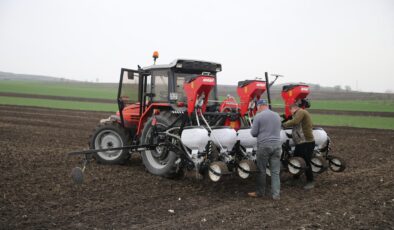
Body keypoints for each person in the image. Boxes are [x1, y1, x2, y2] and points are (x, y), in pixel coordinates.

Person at [248, 99, 282, 200]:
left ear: (259, 106)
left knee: (261, 170)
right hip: (277, 145)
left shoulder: (258, 116)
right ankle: (276, 195)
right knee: (275, 171)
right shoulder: (277, 115)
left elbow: (254, 133)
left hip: (264, 146)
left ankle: (260, 192)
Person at [282, 103, 315, 190]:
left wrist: (283, 124)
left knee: (306, 162)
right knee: (296, 160)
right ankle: (295, 178)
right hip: (301, 142)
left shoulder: (300, 112)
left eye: (290, 110)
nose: (291, 112)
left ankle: (310, 181)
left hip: (306, 142)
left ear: (293, 108)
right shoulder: (301, 113)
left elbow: (295, 122)